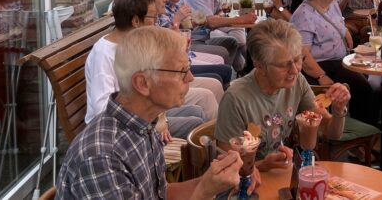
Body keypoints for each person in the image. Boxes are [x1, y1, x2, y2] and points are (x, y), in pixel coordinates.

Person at [57, 26, 247, 199]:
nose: (190, 77)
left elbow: (159, 194)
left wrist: (211, 182)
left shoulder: (144, 125)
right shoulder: (102, 157)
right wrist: (204, 191)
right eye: (182, 70)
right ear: (143, 83)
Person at [216, 19, 350, 172]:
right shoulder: (235, 98)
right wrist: (261, 166)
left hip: (281, 174)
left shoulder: (297, 82)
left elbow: (332, 133)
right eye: (284, 64)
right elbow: (225, 168)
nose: (295, 70)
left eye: (298, 60)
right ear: (259, 66)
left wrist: (339, 110)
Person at [84, 0, 216, 138]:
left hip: (142, 112)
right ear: (135, 21)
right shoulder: (104, 54)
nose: (156, 22)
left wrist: (160, 116)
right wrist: (154, 122)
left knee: (196, 111)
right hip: (119, 130)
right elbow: (101, 109)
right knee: (195, 122)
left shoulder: (132, 44)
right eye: (153, 17)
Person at [289, 0, 378, 125]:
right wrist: (321, 76)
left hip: (340, 60)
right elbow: (302, 54)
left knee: (365, 85)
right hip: (320, 66)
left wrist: (345, 32)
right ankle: (349, 129)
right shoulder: (303, 15)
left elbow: (338, 22)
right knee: (361, 88)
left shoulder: (333, 4)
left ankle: (364, 128)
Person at [180, 0, 255, 72]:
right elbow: (211, 22)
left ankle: (243, 71)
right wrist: (241, 19)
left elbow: (219, 11)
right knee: (223, 51)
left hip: (204, 36)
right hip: (193, 41)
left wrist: (220, 17)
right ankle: (224, 76)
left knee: (232, 42)